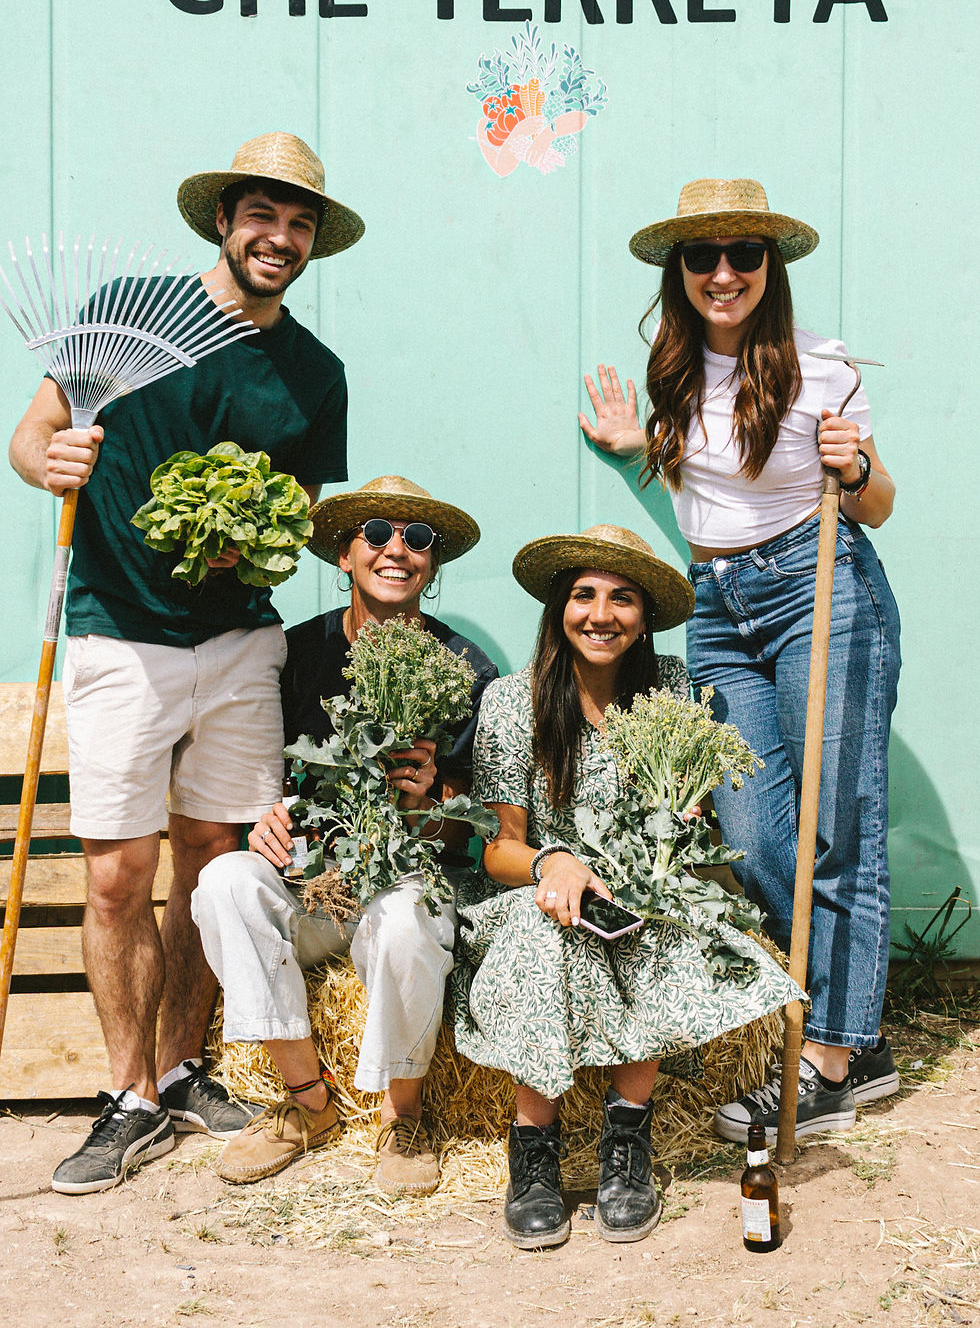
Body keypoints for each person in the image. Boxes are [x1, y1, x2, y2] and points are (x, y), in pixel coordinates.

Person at [8, 132, 365, 1194]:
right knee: (117, 877)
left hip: (240, 641)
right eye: (263, 216)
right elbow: (34, 435)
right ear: (224, 220)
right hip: (120, 629)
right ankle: (125, 1100)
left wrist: (273, 530)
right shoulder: (132, 310)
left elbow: (302, 515)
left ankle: (179, 1068)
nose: (280, 238)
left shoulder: (313, 375)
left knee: (212, 866)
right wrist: (50, 460)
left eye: (300, 225)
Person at [579, 178, 902, 1144]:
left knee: (837, 820)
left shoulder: (821, 365)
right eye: (702, 257)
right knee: (757, 833)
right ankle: (847, 1028)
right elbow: (714, 486)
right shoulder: (672, 368)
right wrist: (643, 447)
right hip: (717, 604)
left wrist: (852, 466)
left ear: (772, 267)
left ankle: (837, 1057)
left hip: (823, 587)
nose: (724, 273)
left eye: (744, 256)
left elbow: (879, 502)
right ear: (678, 272)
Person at [450, 524, 802, 1249]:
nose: (600, 614)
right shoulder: (513, 703)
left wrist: (683, 819)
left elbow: (684, 816)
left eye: (623, 599)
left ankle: (626, 1141)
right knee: (550, 934)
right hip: (538, 892)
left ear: (644, 617)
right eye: (583, 595)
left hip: (638, 889)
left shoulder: (670, 687)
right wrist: (554, 864)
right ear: (558, 608)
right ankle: (534, 1150)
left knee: (653, 922)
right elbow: (498, 850)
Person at [193, 477, 497, 1194]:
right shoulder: (294, 653)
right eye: (378, 531)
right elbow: (256, 774)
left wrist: (431, 799)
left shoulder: (468, 669)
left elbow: (469, 834)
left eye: (418, 538)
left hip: (402, 880)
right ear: (344, 554)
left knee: (408, 921)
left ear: (433, 563)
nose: (398, 549)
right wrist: (261, 815)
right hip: (315, 885)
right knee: (223, 882)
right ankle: (307, 1104)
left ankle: (404, 1119)